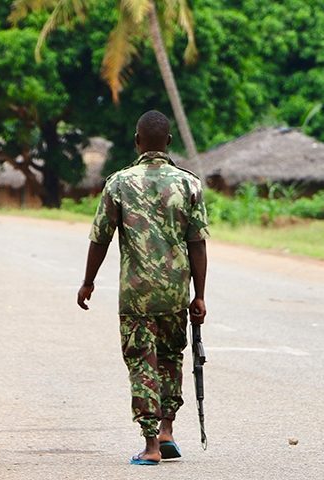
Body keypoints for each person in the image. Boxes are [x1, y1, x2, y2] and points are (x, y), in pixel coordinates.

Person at [76, 110, 209, 465]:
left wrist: (88, 282)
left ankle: (150, 446)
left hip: (135, 296)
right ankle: (166, 431)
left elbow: (100, 239)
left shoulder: (118, 183)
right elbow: (198, 243)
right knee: (169, 359)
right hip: (174, 293)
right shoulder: (188, 184)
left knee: (141, 364)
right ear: (168, 142)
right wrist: (199, 294)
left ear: (137, 141)